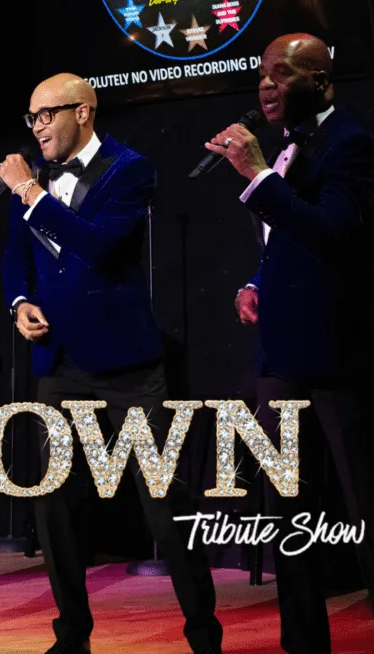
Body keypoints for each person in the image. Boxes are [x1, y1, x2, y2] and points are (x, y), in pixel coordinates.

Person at [0, 74, 223, 654]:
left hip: (127, 367)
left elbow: (97, 246)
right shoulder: (36, 176)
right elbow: (15, 256)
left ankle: (204, 634)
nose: (38, 126)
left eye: (47, 114)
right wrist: (20, 302)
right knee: (55, 506)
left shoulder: (129, 168)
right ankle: (72, 635)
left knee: (164, 502)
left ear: (83, 112)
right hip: (59, 363)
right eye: (31, 117)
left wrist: (30, 193)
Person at [209, 33, 374, 654]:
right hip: (281, 358)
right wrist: (258, 282)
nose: (266, 84)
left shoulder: (352, 144)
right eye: (261, 73)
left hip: (337, 358)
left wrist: (256, 174)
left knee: (363, 506)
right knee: (288, 515)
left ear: (322, 83)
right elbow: (290, 238)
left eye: (283, 73)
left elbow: (334, 233)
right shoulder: (288, 149)